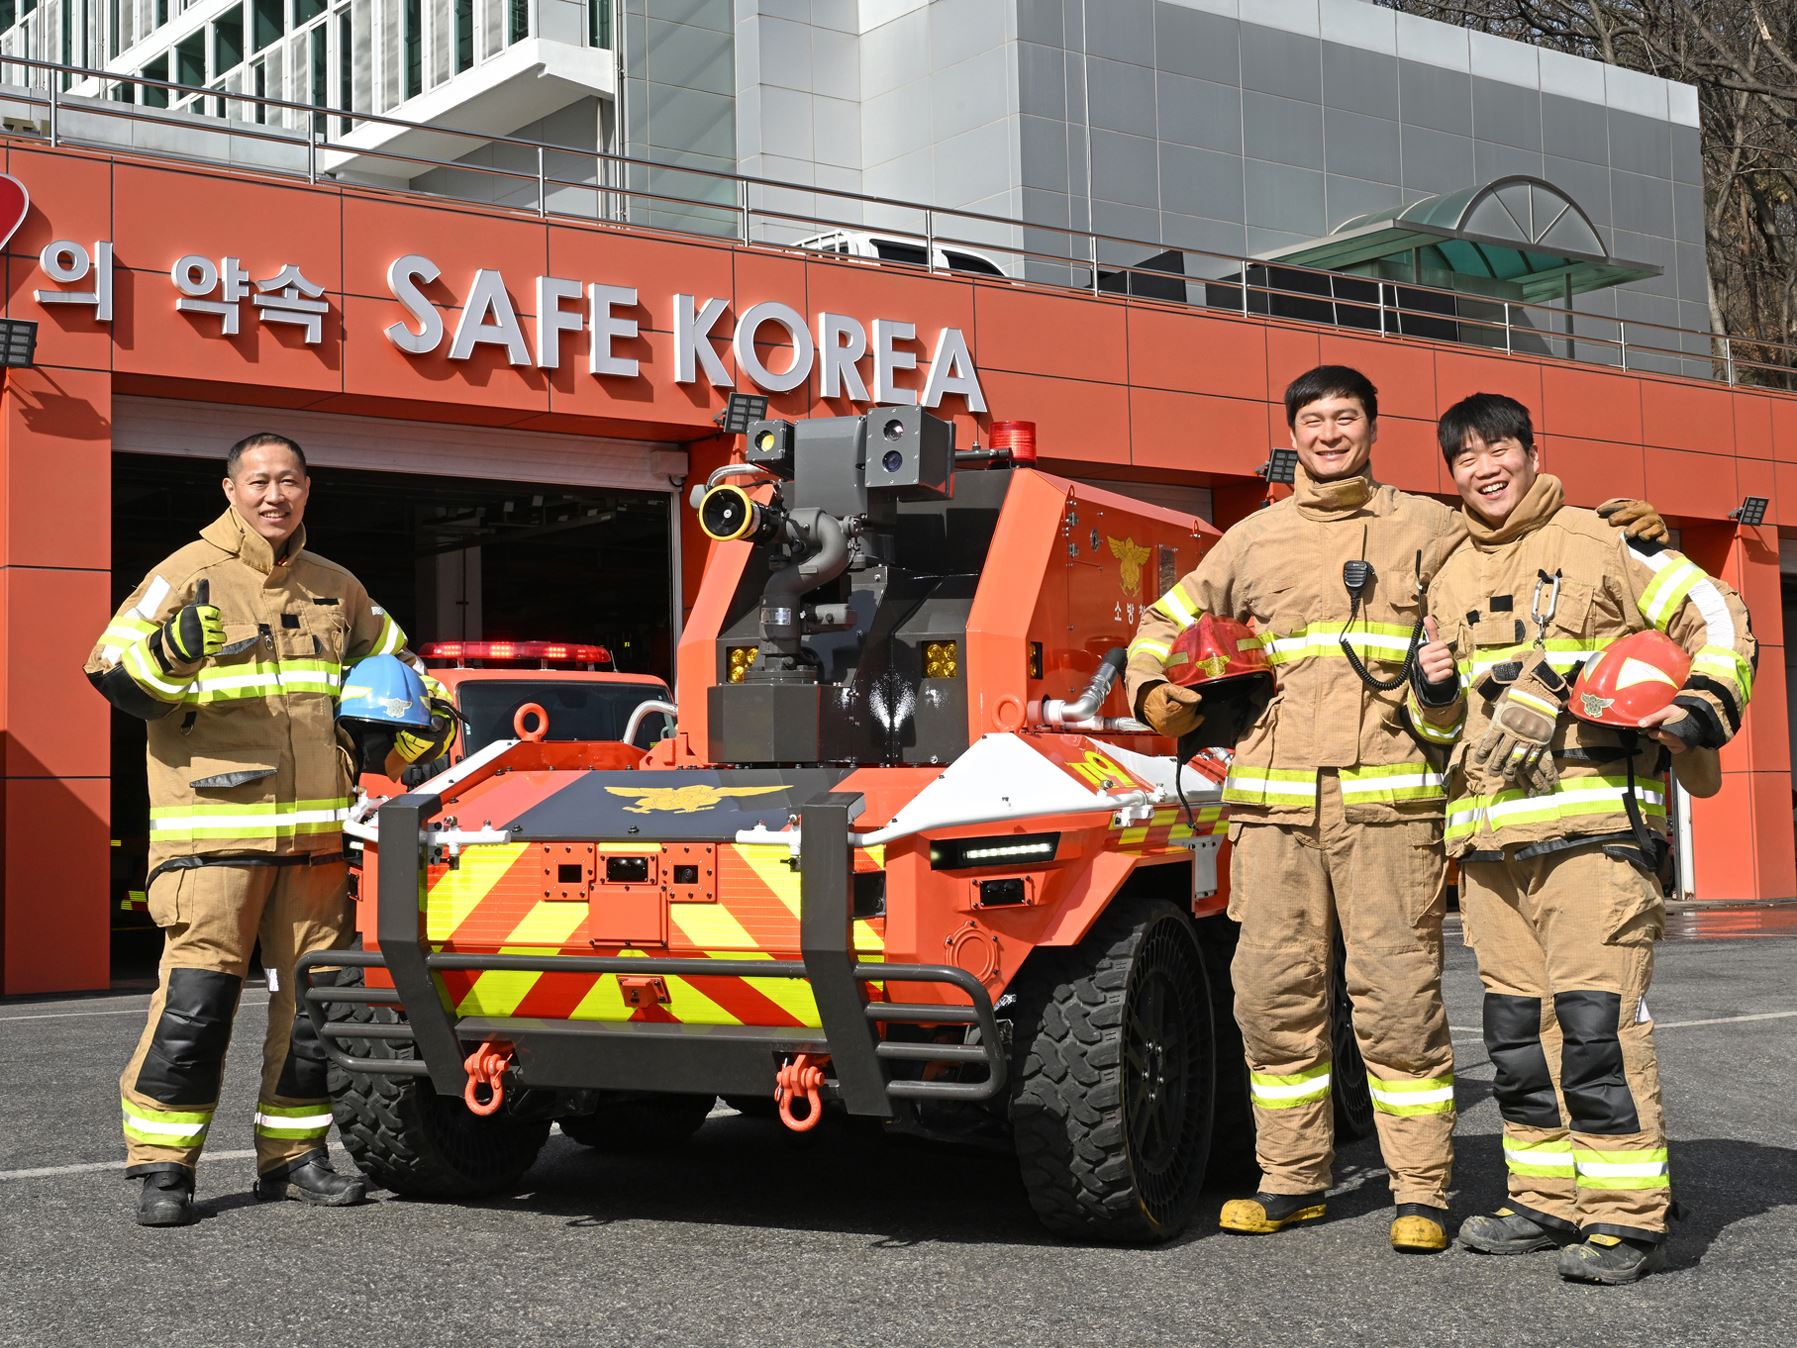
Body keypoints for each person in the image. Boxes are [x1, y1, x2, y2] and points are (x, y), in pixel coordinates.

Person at [1125, 367, 1668, 1254]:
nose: (1328, 433)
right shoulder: (1251, 539)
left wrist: (1630, 533)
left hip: (1392, 809)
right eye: (1312, 420)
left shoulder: (1431, 524)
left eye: (1345, 418)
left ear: (1372, 430)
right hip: (1271, 812)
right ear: (1291, 434)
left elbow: (1524, 534)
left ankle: (1420, 1188)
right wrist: (1154, 689)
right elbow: (1164, 620)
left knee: (1397, 1003)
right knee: (1271, 1001)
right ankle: (1290, 1178)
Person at [1410, 393, 1753, 1284]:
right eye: (1464, 459)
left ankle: (1625, 1218)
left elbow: (1713, 616)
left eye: (1498, 450)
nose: (1483, 469)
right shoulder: (1443, 570)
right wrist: (1433, 688)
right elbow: (1438, 726)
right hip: (1488, 849)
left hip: (1594, 835)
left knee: (1596, 1029)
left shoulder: (1604, 539)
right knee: (1517, 1035)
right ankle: (1543, 1200)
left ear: (1530, 451)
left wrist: (1699, 708)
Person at [86, 432, 452, 1227]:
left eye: (288, 481)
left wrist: (430, 719)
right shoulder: (184, 575)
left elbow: (403, 673)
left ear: (307, 489)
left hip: (317, 846)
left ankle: (293, 1158)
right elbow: (111, 670)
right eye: (257, 481)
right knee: (196, 1004)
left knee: (313, 1011)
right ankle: (163, 1166)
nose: (272, 495)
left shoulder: (338, 587)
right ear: (229, 489)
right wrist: (171, 653)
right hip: (211, 838)